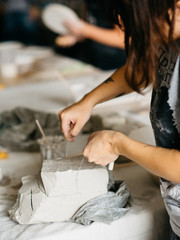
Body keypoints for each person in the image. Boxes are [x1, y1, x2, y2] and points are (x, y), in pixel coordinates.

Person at [59, 0, 180, 239]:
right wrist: (88, 101)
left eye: (130, 18)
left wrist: (117, 143)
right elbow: (144, 68)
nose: (124, 27)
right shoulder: (168, 34)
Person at [55, 0, 126, 70]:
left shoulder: (116, 3)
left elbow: (124, 39)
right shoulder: (91, 2)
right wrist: (77, 36)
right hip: (99, 60)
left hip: (120, 64)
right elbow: (95, 26)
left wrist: (85, 29)